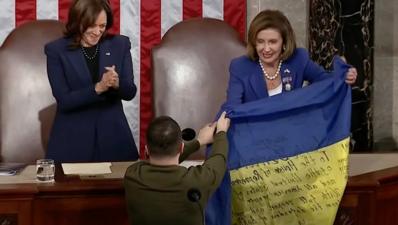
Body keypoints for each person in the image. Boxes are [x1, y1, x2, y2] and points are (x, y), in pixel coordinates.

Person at [44, 0, 138, 162]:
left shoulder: (119, 44)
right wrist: (98, 88)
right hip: (73, 141)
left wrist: (116, 84)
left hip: (113, 138)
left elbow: (130, 91)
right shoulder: (56, 50)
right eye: (91, 26)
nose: (97, 31)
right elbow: (64, 100)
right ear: (77, 22)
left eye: (102, 26)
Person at [222, 9, 357, 109]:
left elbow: (326, 81)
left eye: (273, 42)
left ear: (284, 42)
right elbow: (233, 108)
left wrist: (344, 74)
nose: (266, 48)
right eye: (260, 41)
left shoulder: (299, 59)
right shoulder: (240, 66)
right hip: (254, 136)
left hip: (290, 135)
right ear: (254, 42)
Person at [124, 112, 230, 225]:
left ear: (146, 150)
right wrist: (221, 133)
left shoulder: (132, 175)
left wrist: (198, 142)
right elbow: (218, 159)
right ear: (181, 147)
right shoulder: (197, 181)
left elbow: (154, 161)